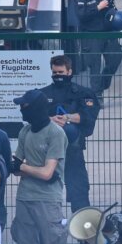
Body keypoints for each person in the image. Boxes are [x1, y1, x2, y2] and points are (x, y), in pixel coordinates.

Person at [11, 89, 76, 244]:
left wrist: (25, 167)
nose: (21, 110)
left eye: (24, 106)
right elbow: (16, 167)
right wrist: (25, 167)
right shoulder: (25, 131)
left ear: (35, 108)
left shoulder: (56, 134)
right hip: (25, 198)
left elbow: (48, 173)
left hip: (48, 201)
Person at [41, 55, 100, 211]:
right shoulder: (43, 94)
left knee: (79, 190)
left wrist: (68, 117)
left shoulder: (82, 93)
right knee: (46, 191)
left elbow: (88, 116)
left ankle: (83, 229)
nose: (58, 76)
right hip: (48, 151)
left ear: (69, 71)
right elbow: (34, 117)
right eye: (55, 73)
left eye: (61, 72)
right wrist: (50, 120)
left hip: (73, 149)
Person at [69, 0, 121, 92]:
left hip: (108, 33)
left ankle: (103, 84)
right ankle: (97, 95)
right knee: (94, 66)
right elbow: (81, 16)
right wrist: (97, 7)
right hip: (91, 35)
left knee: (115, 60)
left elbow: (113, 11)